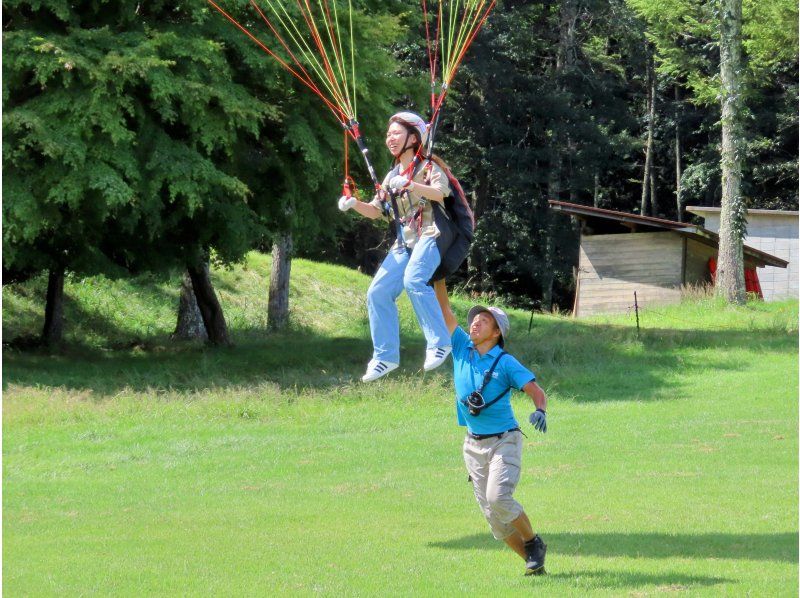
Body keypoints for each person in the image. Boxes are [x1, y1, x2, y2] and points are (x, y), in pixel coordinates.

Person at [433, 278, 550, 575]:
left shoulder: (506, 363)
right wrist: (440, 274)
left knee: (499, 499)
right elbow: (444, 307)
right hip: (472, 445)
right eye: (474, 320)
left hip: (503, 441)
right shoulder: (460, 347)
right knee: (493, 519)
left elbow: (536, 391)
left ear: (497, 333)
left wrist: (540, 410)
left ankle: (533, 542)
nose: (474, 325)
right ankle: (533, 565)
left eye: (483, 322)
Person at [338, 112, 453, 382]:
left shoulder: (428, 166)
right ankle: (385, 356)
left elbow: (440, 193)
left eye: (396, 134)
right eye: (388, 134)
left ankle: (440, 341)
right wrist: (354, 204)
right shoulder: (391, 176)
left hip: (431, 235)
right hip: (405, 243)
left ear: (413, 138)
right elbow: (377, 211)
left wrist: (413, 184)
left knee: (415, 279)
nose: (390, 139)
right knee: (377, 292)